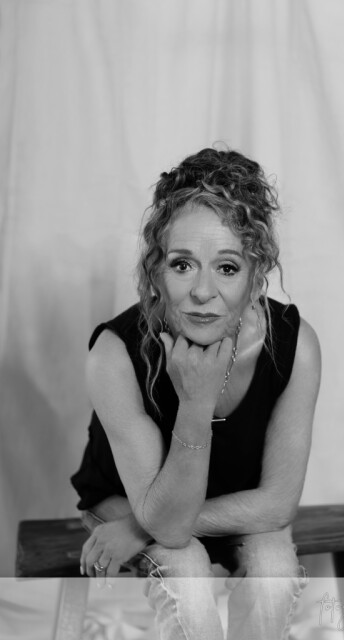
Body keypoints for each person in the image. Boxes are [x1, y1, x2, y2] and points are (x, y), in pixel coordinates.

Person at [71, 147, 321, 640]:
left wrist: (139, 529)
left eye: (227, 268)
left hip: (228, 505)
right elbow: (169, 528)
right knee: (185, 569)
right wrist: (195, 402)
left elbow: (276, 504)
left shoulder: (296, 345)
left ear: (255, 274)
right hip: (128, 497)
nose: (203, 292)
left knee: (273, 571)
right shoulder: (113, 355)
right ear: (156, 271)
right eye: (183, 265)